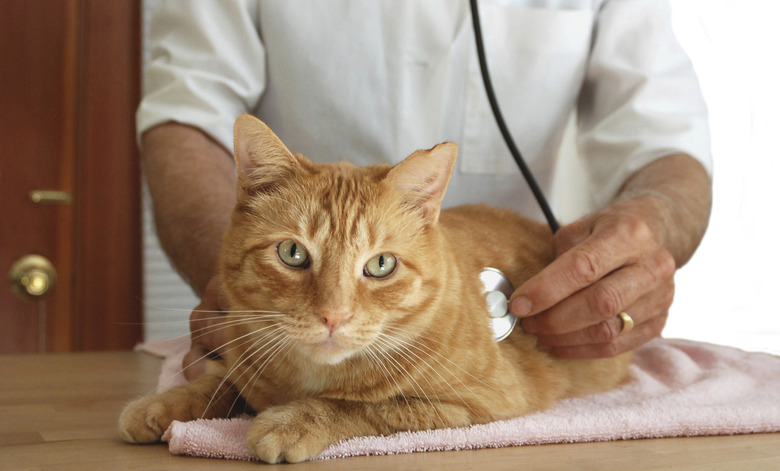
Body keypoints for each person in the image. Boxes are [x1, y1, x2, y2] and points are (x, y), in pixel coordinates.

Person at [138, 0, 712, 378]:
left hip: (518, 317)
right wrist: (240, 278)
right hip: (280, 317)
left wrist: (651, 228)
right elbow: (187, 114)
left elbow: (665, 138)